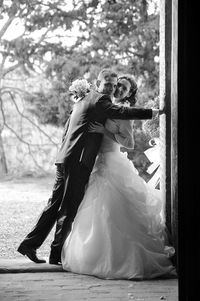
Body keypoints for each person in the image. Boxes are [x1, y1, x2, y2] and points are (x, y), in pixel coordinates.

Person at [17, 69, 162, 265]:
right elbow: (122, 112)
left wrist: (65, 152)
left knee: (54, 204)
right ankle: (55, 254)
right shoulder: (101, 100)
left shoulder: (84, 98)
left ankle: (29, 244)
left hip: (66, 158)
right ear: (98, 83)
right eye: (108, 84)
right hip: (78, 162)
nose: (111, 88)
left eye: (114, 84)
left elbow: (68, 128)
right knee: (68, 207)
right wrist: (153, 112)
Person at [61, 74, 176, 279]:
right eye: (119, 86)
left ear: (130, 93)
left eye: (125, 89)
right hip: (99, 162)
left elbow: (129, 143)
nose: (120, 90)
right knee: (97, 208)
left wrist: (105, 130)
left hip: (114, 163)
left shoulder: (124, 113)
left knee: (116, 208)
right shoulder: (105, 104)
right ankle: (94, 254)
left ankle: (123, 257)